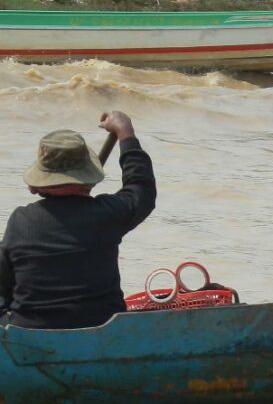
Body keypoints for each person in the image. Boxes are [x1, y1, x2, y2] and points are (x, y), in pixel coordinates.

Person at [0, 111, 156, 329]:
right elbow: (141, 188)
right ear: (88, 181)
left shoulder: (20, 221)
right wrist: (125, 133)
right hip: (103, 332)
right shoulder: (107, 214)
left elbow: (4, 289)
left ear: (37, 185)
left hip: (28, 333)